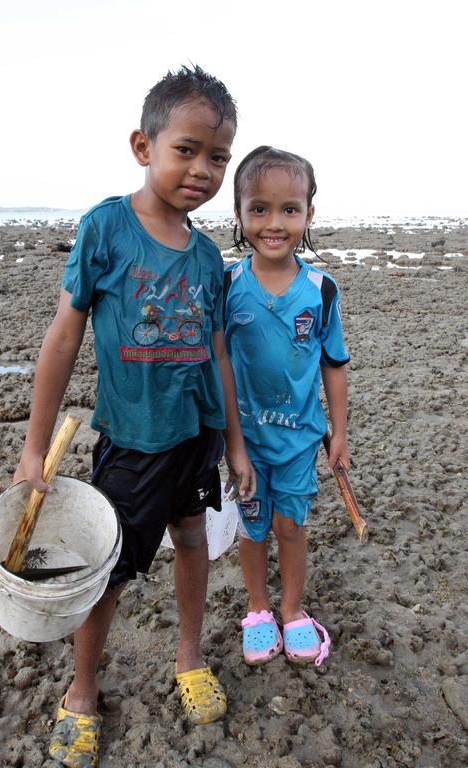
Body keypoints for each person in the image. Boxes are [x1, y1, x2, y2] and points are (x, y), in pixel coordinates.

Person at [14, 65, 255, 767]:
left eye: (217, 157)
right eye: (186, 149)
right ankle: (81, 689)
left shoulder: (210, 257)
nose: (202, 169)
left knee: (191, 541)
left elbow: (218, 355)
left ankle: (187, 657)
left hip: (197, 438)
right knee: (106, 570)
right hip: (130, 442)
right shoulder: (106, 226)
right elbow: (63, 336)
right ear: (142, 145)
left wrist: (234, 447)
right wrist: (35, 447)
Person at [224, 146, 350, 668]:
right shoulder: (227, 285)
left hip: (299, 441)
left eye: (289, 210)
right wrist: (231, 444)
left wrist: (339, 432)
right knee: (253, 528)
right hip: (244, 444)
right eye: (259, 209)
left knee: (291, 527)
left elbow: (334, 365)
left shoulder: (320, 291)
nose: (274, 223)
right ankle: (258, 610)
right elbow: (219, 363)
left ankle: (293, 610)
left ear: (309, 214)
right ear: (239, 214)